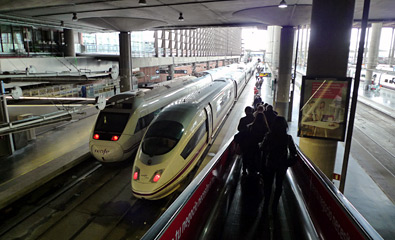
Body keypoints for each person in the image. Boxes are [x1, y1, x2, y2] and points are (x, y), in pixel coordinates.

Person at [261, 116, 297, 214]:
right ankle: (275, 205)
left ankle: (266, 203)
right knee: (279, 185)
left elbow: (263, 148)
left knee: (268, 184)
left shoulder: (269, 136)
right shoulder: (288, 138)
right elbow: (294, 152)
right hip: (282, 165)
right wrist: (289, 162)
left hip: (270, 163)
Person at [235, 106, 255, 175]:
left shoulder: (243, 119)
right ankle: (251, 170)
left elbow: (239, 129)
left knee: (245, 156)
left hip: (244, 142)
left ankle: (244, 170)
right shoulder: (255, 119)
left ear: (246, 112)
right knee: (252, 156)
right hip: (253, 142)